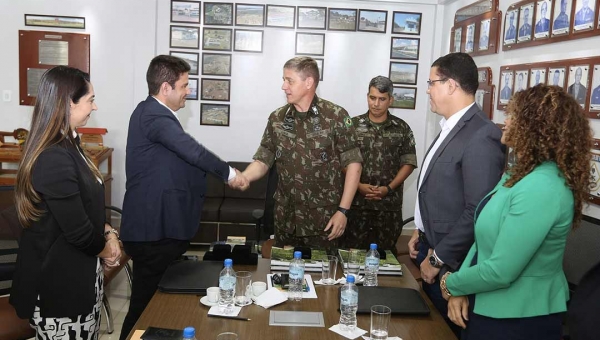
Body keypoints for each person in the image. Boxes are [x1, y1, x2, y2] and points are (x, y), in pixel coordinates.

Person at [441, 85, 592, 340]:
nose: (506, 121)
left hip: (519, 320)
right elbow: (480, 243)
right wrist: (459, 288)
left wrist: (450, 284)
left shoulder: (543, 186)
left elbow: (501, 270)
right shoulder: (519, 174)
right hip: (487, 306)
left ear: (537, 128)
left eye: (515, 116)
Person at [119, 55, 247, 340]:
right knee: (144, 307)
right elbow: (192, 151)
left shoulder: (157, 115)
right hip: (153, 229)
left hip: (161, 228)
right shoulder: (153, 114)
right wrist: (229, 174)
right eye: (184, 85)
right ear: (166, 88)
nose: (188, 90)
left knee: (158, 304)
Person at [10, 66, 122, 340]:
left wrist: (109, 232)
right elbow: (78, 231)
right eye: (90, 100)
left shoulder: (71, 144)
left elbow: (86, 207)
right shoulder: (53, 156)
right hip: (58, 286)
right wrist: (108, 252)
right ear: (68, 103)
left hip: (79, 275)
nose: (95, 107)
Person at [407, 52, 505, 337]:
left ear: (450, 85)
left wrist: (438, 258)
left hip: (452, 264)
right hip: (432, 247)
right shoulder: (451, 126)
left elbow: (477, 211)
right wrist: (420, 228)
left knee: (442, 332)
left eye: (431, 82)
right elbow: (439, 190)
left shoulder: (481, 135)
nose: (427, 89)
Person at [241, 56, 362, 251]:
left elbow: (354, 165)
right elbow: (264, 159)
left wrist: (343, 211)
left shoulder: (335, 116)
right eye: (283, 79)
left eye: (289, 80)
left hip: (324, 221)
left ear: (309, 83)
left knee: (324, 277)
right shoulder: (277, 118)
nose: (283, 86)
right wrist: (244, 176)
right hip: (286, 220)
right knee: (284, 276)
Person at [345, 76, 417, 253]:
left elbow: (409, 163)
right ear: (367, 97)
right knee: (351, 254)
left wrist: (389, 188)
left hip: (388, 207)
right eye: (372, 98)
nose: (376, 104)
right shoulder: (352, 126)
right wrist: (358, 185)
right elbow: (342, 161)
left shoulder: (401, 128)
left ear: (390, 100)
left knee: (385, 256)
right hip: (357, 205)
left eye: (382, 99)